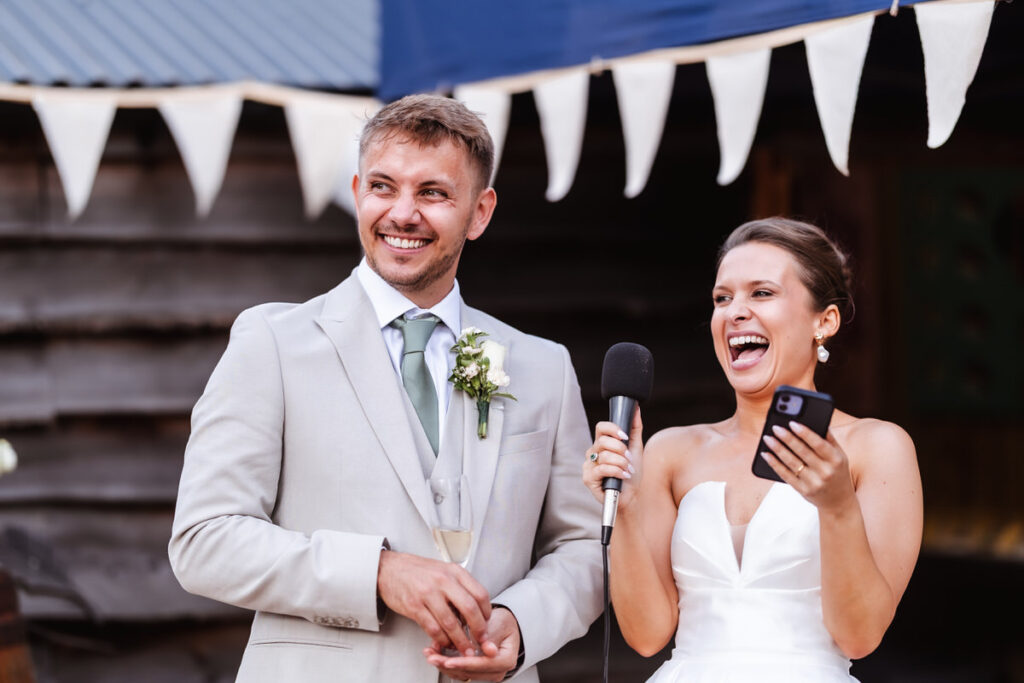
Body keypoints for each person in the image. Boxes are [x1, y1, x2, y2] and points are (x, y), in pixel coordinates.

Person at [169, 94, 603, 683]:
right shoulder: (271, 342)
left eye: (433, 193)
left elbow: (582, 548)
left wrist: (521, 623)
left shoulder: (542, 366)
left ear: (480, 212)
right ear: (356, 193)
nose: (402, 214)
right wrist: (377, 571)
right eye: (383, 187)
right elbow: (205, 540)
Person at [583, 218, 922, 681]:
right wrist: (623, 504)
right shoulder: (671, 451)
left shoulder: (877, 448)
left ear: (824, 321)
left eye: (761, 293)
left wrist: (838, 507)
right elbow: (646, 637)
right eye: (723, 298)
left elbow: (859, 637)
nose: (734, 312)